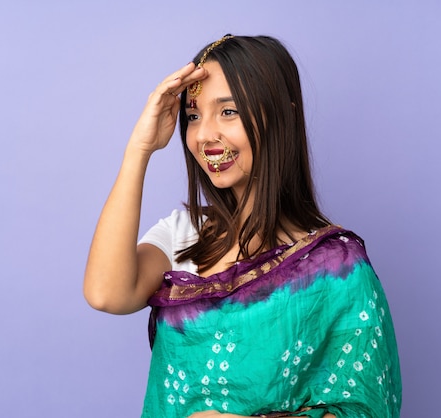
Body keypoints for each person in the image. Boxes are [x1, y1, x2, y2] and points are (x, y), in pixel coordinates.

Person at [84, 34, 401, 418]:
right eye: (194, 115)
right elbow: (106, 294)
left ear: (279, 116)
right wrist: (140, 148)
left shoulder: (338, 269)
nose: (204, 136)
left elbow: (366, 407)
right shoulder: (185, 234)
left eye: (228, 112)